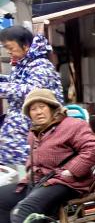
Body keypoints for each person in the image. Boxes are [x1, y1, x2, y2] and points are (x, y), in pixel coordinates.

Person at [0, 88, 95, 223]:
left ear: (53, 108)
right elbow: (34, 157)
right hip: (40, 181)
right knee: (2, 197)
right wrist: (30, 172)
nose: (38, 112)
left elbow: (93, 149)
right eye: (33, 109)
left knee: (28, 206)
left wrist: (70, 171)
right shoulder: (35, 131)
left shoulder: (73, 125)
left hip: (67, 182)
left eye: (42, 106)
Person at [0, 24, 63, 167]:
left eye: (10, 48)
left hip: (34, 132)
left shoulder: (41, 65)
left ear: (26, 46)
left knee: (30, 171)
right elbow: (15, 82)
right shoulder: (25, 64)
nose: (8, 52)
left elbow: (32, 90)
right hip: (19, 136)